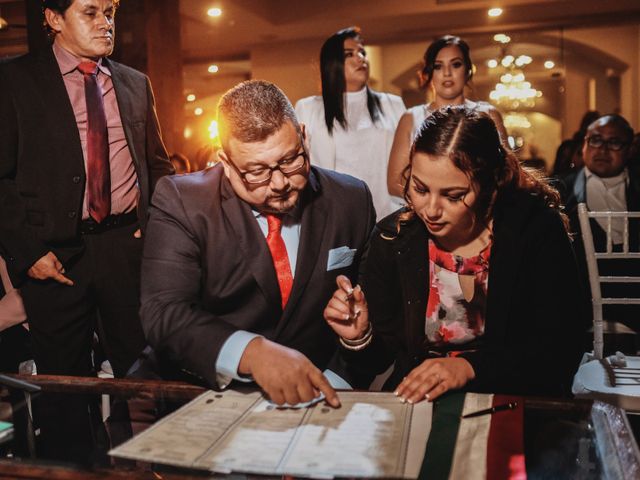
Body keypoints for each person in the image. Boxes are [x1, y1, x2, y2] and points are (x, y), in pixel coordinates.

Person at [0, 0, 173, 460]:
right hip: (55, 257)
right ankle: (74, 470)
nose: (106, 22)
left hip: (126, 248)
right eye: (91, 12)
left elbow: (158, 167)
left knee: (145, 377)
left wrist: (154, 228)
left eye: (111, 11)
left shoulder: (135, 83)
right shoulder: (14, 80)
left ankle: (146, 464)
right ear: (54, 19)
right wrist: (26, 251)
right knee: (64, 388)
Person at [324, 105, 587, 402]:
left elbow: (561, 351)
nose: (431, 210)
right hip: (422, 405)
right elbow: (378, 360)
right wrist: (359, 336)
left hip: (516, 403)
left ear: (491, 185)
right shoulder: (394, 238)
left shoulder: (534, 230)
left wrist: (469, 367)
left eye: (453, 196)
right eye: (420, 189)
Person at [139, 80, 376, 407]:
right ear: (225, 161)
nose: (280, 183)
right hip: (206, 395)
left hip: (319, 395)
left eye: (292, 160)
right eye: (257, 172)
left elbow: (373, 317)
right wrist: (251, 352)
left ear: (304, 136)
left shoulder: (351, 199)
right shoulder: (182, 201)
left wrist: (335, 379)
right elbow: (163, 313)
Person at [295, 27, 405, 219]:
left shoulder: (392, 104)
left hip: (388, 216)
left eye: (362, 52)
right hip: (335, 216)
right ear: (332, 63)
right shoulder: (308, 108)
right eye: (349, 54)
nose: (360, 58)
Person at [388, 35, 507, 198]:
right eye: (438, 66)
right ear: (430, 72)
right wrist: (434, 202)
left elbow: (506, 174)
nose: (447, 73)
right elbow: (394, 182)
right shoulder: (411, 118)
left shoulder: (488, 114)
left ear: (467, 70)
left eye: (456, 64)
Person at [560, 114, 639, 354]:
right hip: (576, 311)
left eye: (614, 142)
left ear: (629, 150)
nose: (603, 149)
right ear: (583, 145)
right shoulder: (558, 191)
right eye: (595, 140)